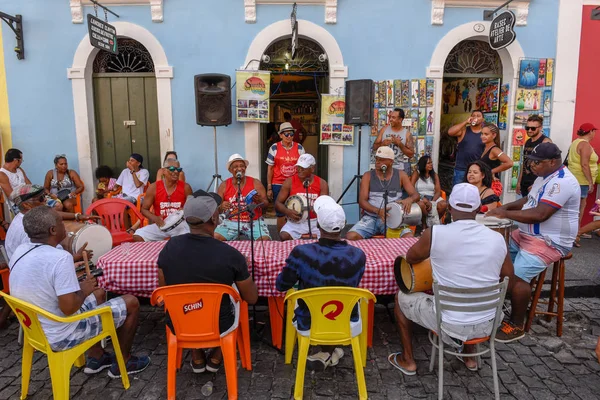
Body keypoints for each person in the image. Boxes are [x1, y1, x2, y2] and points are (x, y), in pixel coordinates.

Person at [9, 206, 150, 378]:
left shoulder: (20, 251)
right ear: (53, 230)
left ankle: (96, 357)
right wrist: (84, 288)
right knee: (131, 302)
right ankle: (124, 362)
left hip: (37, 329)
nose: (65, 226)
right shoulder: (59, 258)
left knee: (98, 294)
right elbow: (69, 308)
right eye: (61, 222)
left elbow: (41, 276)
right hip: (62, 333)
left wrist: (82, 279)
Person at [388, 183, 512, 375]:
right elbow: (507, 277)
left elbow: (411, 258)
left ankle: (408, 360)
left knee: (400, 297)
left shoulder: (435, 234)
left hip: (448, 323)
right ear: (478, 209)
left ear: (451, 208)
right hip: (488, 322)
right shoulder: (497, 239)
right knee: (472, 289)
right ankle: (470, 357)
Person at [487, 143, 580, 342]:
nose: (532, 166)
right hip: (524, 236)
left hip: (549, 242)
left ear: (553, 162)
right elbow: (527, 201)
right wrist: (502, 208)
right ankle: (497, 305)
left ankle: (516, 324)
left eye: (537, 163)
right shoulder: (542, 177)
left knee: (513, 281)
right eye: (531, 162)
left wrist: (505, 213)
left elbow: (540, 214)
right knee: (494, 258)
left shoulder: (562, 182)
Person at [157, 190, 258, 373]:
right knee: (232, 300)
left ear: (187, 219)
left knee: (188, 297)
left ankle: (197, 355)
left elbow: (164, 289)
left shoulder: (169, 247)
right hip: (219, 324)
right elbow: (251, 298)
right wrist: (242, 267)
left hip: (180, 322)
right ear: (214, 218)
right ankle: (217, 355)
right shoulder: (230, 255)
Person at [276, 196, 366, 371]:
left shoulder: (301, 252)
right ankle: (329, 352)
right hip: (346, 320)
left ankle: (327, 353)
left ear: (317, 225)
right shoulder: (358, 255)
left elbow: (282, 285)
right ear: (344, 224)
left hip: (308, 321)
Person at [6, 184, 98, 260]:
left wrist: (78, 216)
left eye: (45, 196)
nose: (45, 200)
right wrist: (76, 257)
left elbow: (53, 213)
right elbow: (43, 260)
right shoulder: (28, 228)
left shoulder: (26, 216)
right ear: (26, 205)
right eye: (41, 198)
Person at [346, 147, 419, 240]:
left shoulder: (401, 175)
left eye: (381, 160)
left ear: (391, 161)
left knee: (408, 237)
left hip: (392, 218)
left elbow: (416, 195)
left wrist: (410, 199)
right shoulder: (367, 176)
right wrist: (378, 211)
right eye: (376, 159)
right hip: (371, 218)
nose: (377, 162)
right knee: (351, 236)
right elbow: (362, 201)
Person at [133, 159, 192, 242]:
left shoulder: (186, 187)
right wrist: (155, 218)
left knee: (184, 241)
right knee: (138, 236)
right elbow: (144, 209)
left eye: (178, 169)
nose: (176, 172)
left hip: (180, 226)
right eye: (172, 169)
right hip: (161, 224)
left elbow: (193, 208)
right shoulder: (154, 187)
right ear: (163, 171)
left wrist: (186, 209)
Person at [215, 154, 270, 241]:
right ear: (230, 170)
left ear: (245, 168)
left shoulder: (256, 183)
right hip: (230, 221)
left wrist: (260, 200)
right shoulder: (224, 185)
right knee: (215, 238)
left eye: (242, 166)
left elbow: (266, 204)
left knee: (265, 240)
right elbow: (215, 208)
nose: (239, 169)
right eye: (235, 167)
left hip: (253, 221)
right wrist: (221, 206)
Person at [276, 154, 328, 240]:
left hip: (315, 222)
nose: (299, 170)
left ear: (312, 169)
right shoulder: (289, 181)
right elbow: (278, 203)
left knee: (326, 239)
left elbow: (325, 206)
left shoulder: (322, 183)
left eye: (303, 168)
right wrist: (287, 211)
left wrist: (317, 211)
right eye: (298, 167)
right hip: (295, 222)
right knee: (284, 236)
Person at [266, 122, 306, 232]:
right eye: (286, 134)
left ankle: (294, 236)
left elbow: (303, 167)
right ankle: (281, 239)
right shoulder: (274, 148)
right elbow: (270, 168)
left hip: (295, 183)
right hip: (278, 184)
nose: (289, 137)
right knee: (280, 213)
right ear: (281, 135)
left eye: (291, 134)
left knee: (297, 209)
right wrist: (269, 187)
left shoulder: (299, 147)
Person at [566, 123, 598, 228]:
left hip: (574, 178)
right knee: (579, 208)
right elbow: (584, 164)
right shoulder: (585, 145)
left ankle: (574, 231)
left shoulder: (575, 142)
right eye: (594, 131)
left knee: (574, 207)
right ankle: (575, 233)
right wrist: (590, 182)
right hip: (581, 180)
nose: (595, 134)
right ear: (591, 132)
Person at [516, 115, 552, 197]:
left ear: (540, 128)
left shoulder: (545, 142)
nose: (529, 130)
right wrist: (519, 182)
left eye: (533, 128)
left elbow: (549, 166)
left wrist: (539, 184)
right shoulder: (528, 141)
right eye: (527, 128)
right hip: (525, 182)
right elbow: (524, 162)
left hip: (536, 183)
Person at [448, 110, 485, 187]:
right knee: (458, 194)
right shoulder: (464, 130)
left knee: (474, 195)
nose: (475, 117)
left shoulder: (484, 133)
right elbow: (450, 132)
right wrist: (465, 122)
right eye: (473, 115)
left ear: (483, 119)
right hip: (461, 169)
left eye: (478, 116)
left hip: (477, 170)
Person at [372, 108, 415, 172]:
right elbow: (374, 147)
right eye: (390, 117)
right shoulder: (384, 130)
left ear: (400, 119)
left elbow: (411, 154)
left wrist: (399, 144)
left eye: (393, 117)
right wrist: (382, 144)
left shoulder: (407, 134)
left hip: (398, 168)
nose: (390, 120)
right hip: (383, 167)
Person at [410, 155, 447, 229]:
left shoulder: (434, 175)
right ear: (423, 164)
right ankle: (424, 224)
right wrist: (422, 198)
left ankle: (432, 222)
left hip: (432, 198)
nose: (431, 165)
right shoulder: (416, 173)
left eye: (431, 163)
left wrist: (432, 202)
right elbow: (411, 189)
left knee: (443, 204)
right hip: (420, 197)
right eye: (428, 163)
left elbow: (437, 191)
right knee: (421, 205)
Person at [479, 123, 513, 196]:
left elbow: (509, 163)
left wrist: (491, 171)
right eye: (481, 134)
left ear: (494, 135)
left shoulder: (495, 150)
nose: (482, 136)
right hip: (483, 183)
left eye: (486, 134)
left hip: (490, 185)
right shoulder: (484, 148)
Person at [0, 148, 31, 216]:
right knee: (38, 215)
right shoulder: (2, 174)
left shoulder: (19, 169)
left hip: (28, 199)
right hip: (17, 204)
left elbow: (29, 184)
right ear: (16, 160)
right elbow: (12, 196)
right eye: (21, 160)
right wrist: (27, 202)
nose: (21, 162)